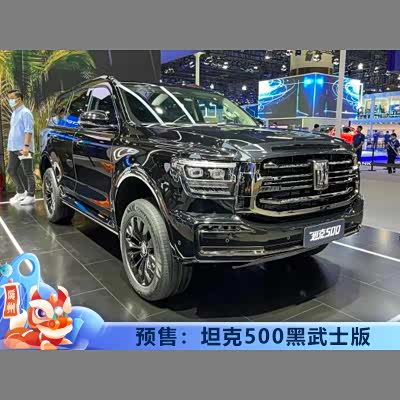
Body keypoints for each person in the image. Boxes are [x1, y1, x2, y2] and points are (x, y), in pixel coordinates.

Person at [6, 89, 36, 205]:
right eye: (9, 98)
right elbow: (14, 131)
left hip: (23, 148)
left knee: (27, 172)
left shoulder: (25, 112)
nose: (10, 101)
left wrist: (26, 146)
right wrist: (9, 147)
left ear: (19, 99)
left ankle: (31, 195)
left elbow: (28, 130)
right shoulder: (14, 113)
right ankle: (21, 192)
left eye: (11, 98)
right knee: (11, 170)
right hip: (14, 148)